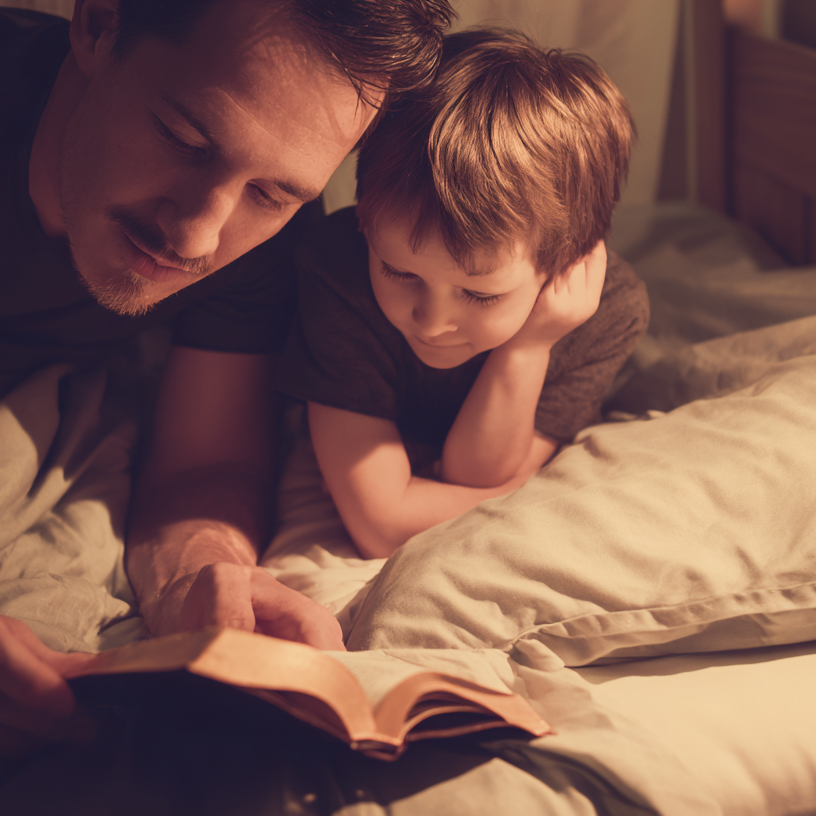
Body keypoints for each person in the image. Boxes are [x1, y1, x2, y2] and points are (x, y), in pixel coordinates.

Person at [0, 0, 453, 756]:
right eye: (185, 140)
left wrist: (199, 580)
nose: (201, 233)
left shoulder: (269, 248)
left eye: (273, 194)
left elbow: (203, 462)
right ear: (99, 22)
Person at [276, 29, 650, 559]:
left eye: (479, 295)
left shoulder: (603, 311)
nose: (431, 322)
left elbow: (474, 474)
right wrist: (519, 491)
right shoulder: (339, 268)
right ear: (365, 226)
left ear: (565, 266)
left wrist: (528, 347)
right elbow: (381, 528)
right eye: (399, 273)